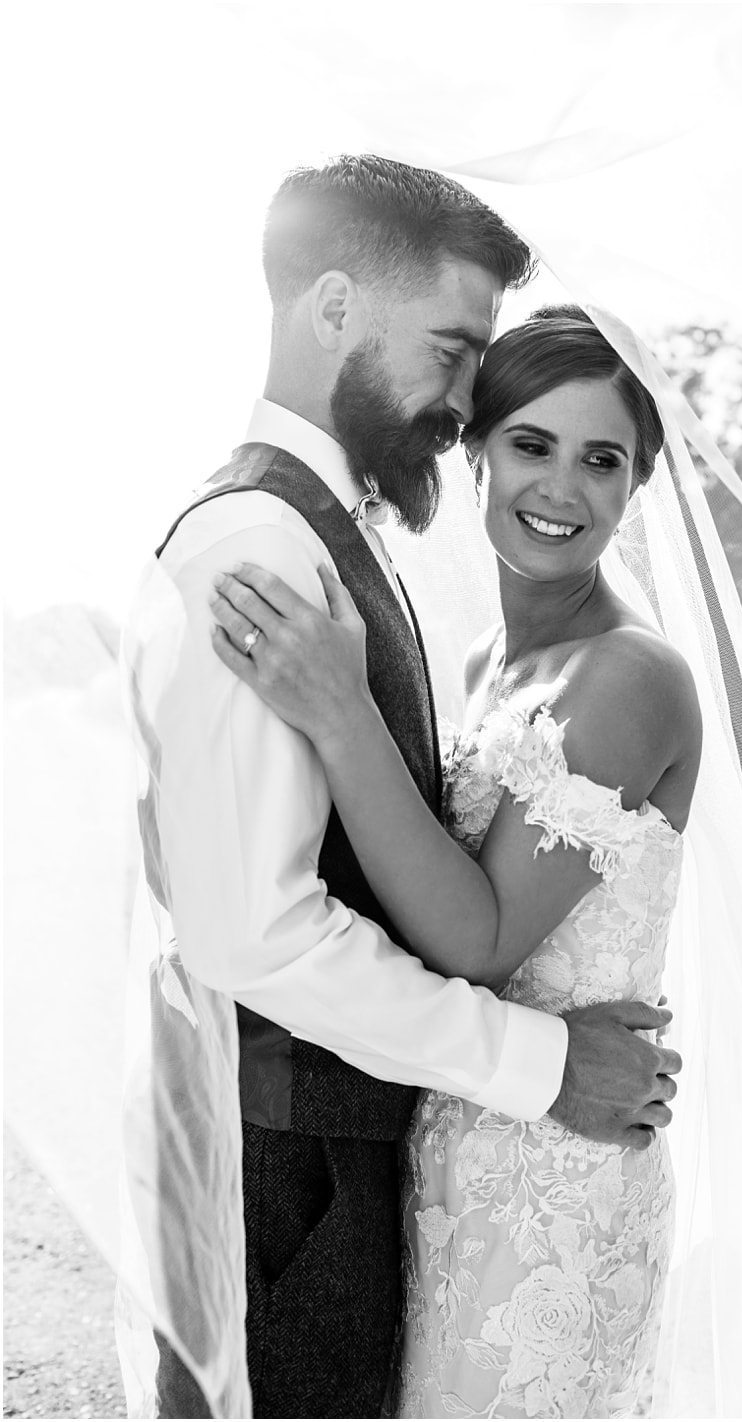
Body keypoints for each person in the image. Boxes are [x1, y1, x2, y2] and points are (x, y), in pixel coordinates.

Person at [125, 158, 682, 1420]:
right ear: (333, 309)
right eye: (451, 350)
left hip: (386, 1153)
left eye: (601, 460)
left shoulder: (326, 535)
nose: (460, 396)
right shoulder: (264, 547)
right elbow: (255, 934)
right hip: (294, 1167)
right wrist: (539, 1065)